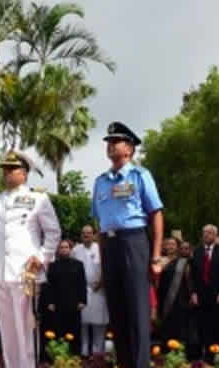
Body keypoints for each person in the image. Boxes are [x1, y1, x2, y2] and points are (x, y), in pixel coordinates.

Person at [91, 122, 164, 368]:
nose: (110, 146)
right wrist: (102, 260)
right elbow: (99, 222)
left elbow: (156, 214)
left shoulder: (140, 176)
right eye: (108, 142)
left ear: (129, 148)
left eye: (116, 141)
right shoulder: (101, 181)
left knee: (137, 310)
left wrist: (155, 258)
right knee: (117, 310)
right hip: (109, 245)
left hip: (133, 242)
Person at [0, 150, 61, 368]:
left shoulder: (38, 198)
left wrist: (42, 256)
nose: (6, 173)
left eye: (12, 169)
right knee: (7, 333)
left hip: (25, 273)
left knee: (26, 331)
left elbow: (53, 232)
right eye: (4, 169)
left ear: (24, 173)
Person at [189, 224, 219, 360]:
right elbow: (193, 275)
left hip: (216, 294)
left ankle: (215, 354)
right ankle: (202, 354)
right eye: (204, 232)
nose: (206, 235)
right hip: (201, 295)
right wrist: (193, 292)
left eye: (209, 233)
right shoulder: (197, 251)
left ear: (215, 235)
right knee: (202, 325)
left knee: (216, 325)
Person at [45, 239, 87, 359]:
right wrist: (50, 302)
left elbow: (82, 283)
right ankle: (59, 357)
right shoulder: (53, 266)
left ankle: (75, 356)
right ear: (58, 250)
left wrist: (83, 301)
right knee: (59, 330)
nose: (64, 249)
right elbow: (50, 286)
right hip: (58, 304)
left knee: (75, 331)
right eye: (61, 247)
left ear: (70, 249)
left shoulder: (78, 265)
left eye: (66, 247)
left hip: (74, 304)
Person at [73, 225, 109, 356]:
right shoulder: (76, 250)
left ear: (94, 235)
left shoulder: (100, 249)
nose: (86, 235)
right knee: (83, 323)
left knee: (99, 323)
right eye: (83, 233)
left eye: (89, 233)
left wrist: (101, 282)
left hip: (99, 290)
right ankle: (84, 351)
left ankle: (97, 352)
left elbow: (107, 268)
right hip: (82, 290)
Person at [155, 236, 191, 353]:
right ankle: (164, 353)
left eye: (173, 244)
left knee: (178, 327)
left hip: (179, 300)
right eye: (168, 244)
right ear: (164, 246)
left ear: (177, 247)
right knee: (164, 327)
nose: (170, 246)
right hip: (161, 298)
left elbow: (188, 281)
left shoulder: (183, 262)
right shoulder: (157, 261)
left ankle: (178, 354)